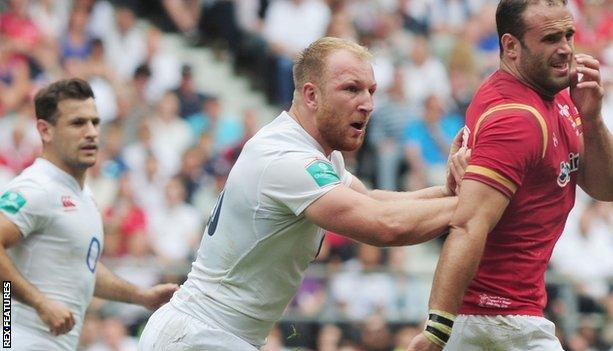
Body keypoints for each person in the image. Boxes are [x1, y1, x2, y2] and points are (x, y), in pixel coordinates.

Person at [138, 37, 469, 350]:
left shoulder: (314, 153)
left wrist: (446, 191)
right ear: (311, 95)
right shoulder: (289, 160)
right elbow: (384, 225)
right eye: (352, 89)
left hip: (213, 334)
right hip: (198, 337)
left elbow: (372, 201)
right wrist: (479, 200)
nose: (367, 104)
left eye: (371, 91)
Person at [408, 1, 613, 350]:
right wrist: (436, 331)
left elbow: (610, 187)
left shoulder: (560, 99)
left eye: (568, 34)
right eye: (551, 38)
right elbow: (468, 224)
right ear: (510, 46)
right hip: (497, 324)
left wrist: (594, 119)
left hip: (509, 320)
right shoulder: (517, 118)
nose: (566, 48)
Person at [0, 78, 179, 351]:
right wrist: (39, 304)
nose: (91, 132)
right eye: (77, 123)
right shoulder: (36, 187)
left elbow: (85, 270)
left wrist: (142, 297)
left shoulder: (83, 196)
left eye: (95, 122)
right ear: (45, 131)